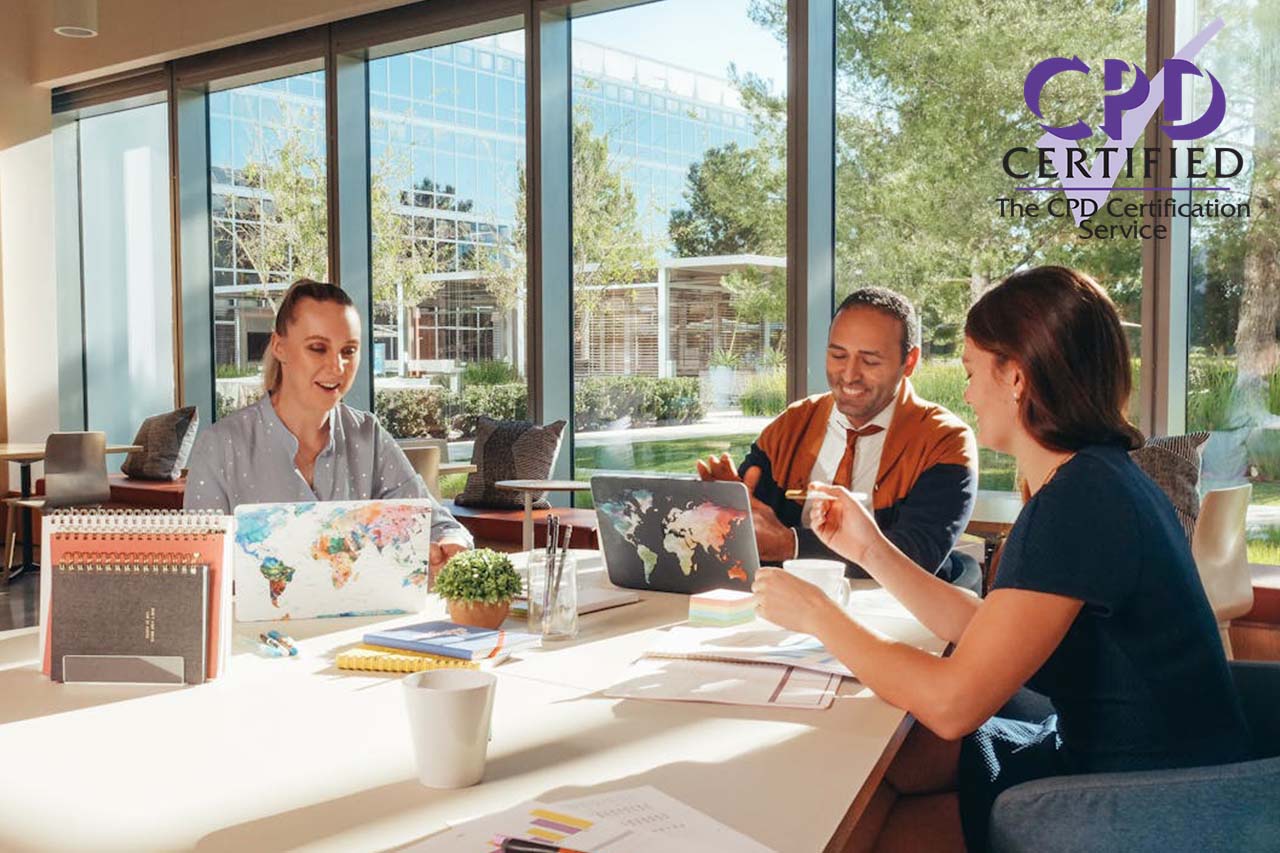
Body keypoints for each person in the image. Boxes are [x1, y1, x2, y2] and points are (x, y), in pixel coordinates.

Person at [751, 266, 1251, 851]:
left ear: (1015, 376)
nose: (966, 394)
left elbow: (951, 705)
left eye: (970, 372)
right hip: (1136, 764)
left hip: (1146, 804)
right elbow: (989, 626)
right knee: (896, 765)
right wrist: (868, 548)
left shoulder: (1078, 504)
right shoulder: (1101, 476)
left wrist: (819, 617)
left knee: (870, 822)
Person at [185, 278, 473, 573]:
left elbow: (438, 525)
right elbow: (199, 574)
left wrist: (450, 542)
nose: (337, 367)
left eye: (348, 351)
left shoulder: (368, 435)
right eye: (318, 348)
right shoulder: (220, 446)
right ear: (279, 347)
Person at [698, 287, 979, 589]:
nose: (849, 374)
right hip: (786, 603)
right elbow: (754, 530)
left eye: (870, 361)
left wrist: (791, 544)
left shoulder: (945, 441)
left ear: (909, 361)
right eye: (838, 355)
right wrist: (731, 512)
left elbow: (916, 554)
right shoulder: (791, 425)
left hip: (895, 610)